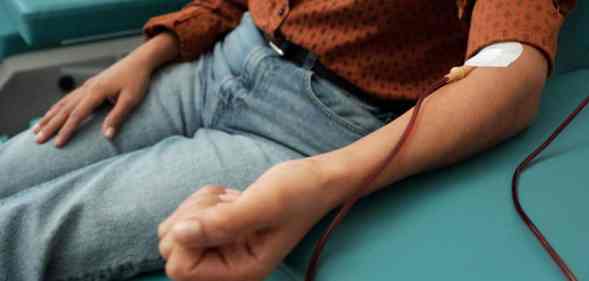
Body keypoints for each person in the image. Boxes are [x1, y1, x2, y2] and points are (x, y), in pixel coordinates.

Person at [0, 1, 576, 280]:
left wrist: (323, 181)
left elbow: (511, 70)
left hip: (316, 127)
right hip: (221, 63)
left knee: (30, 233)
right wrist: (151, 53)